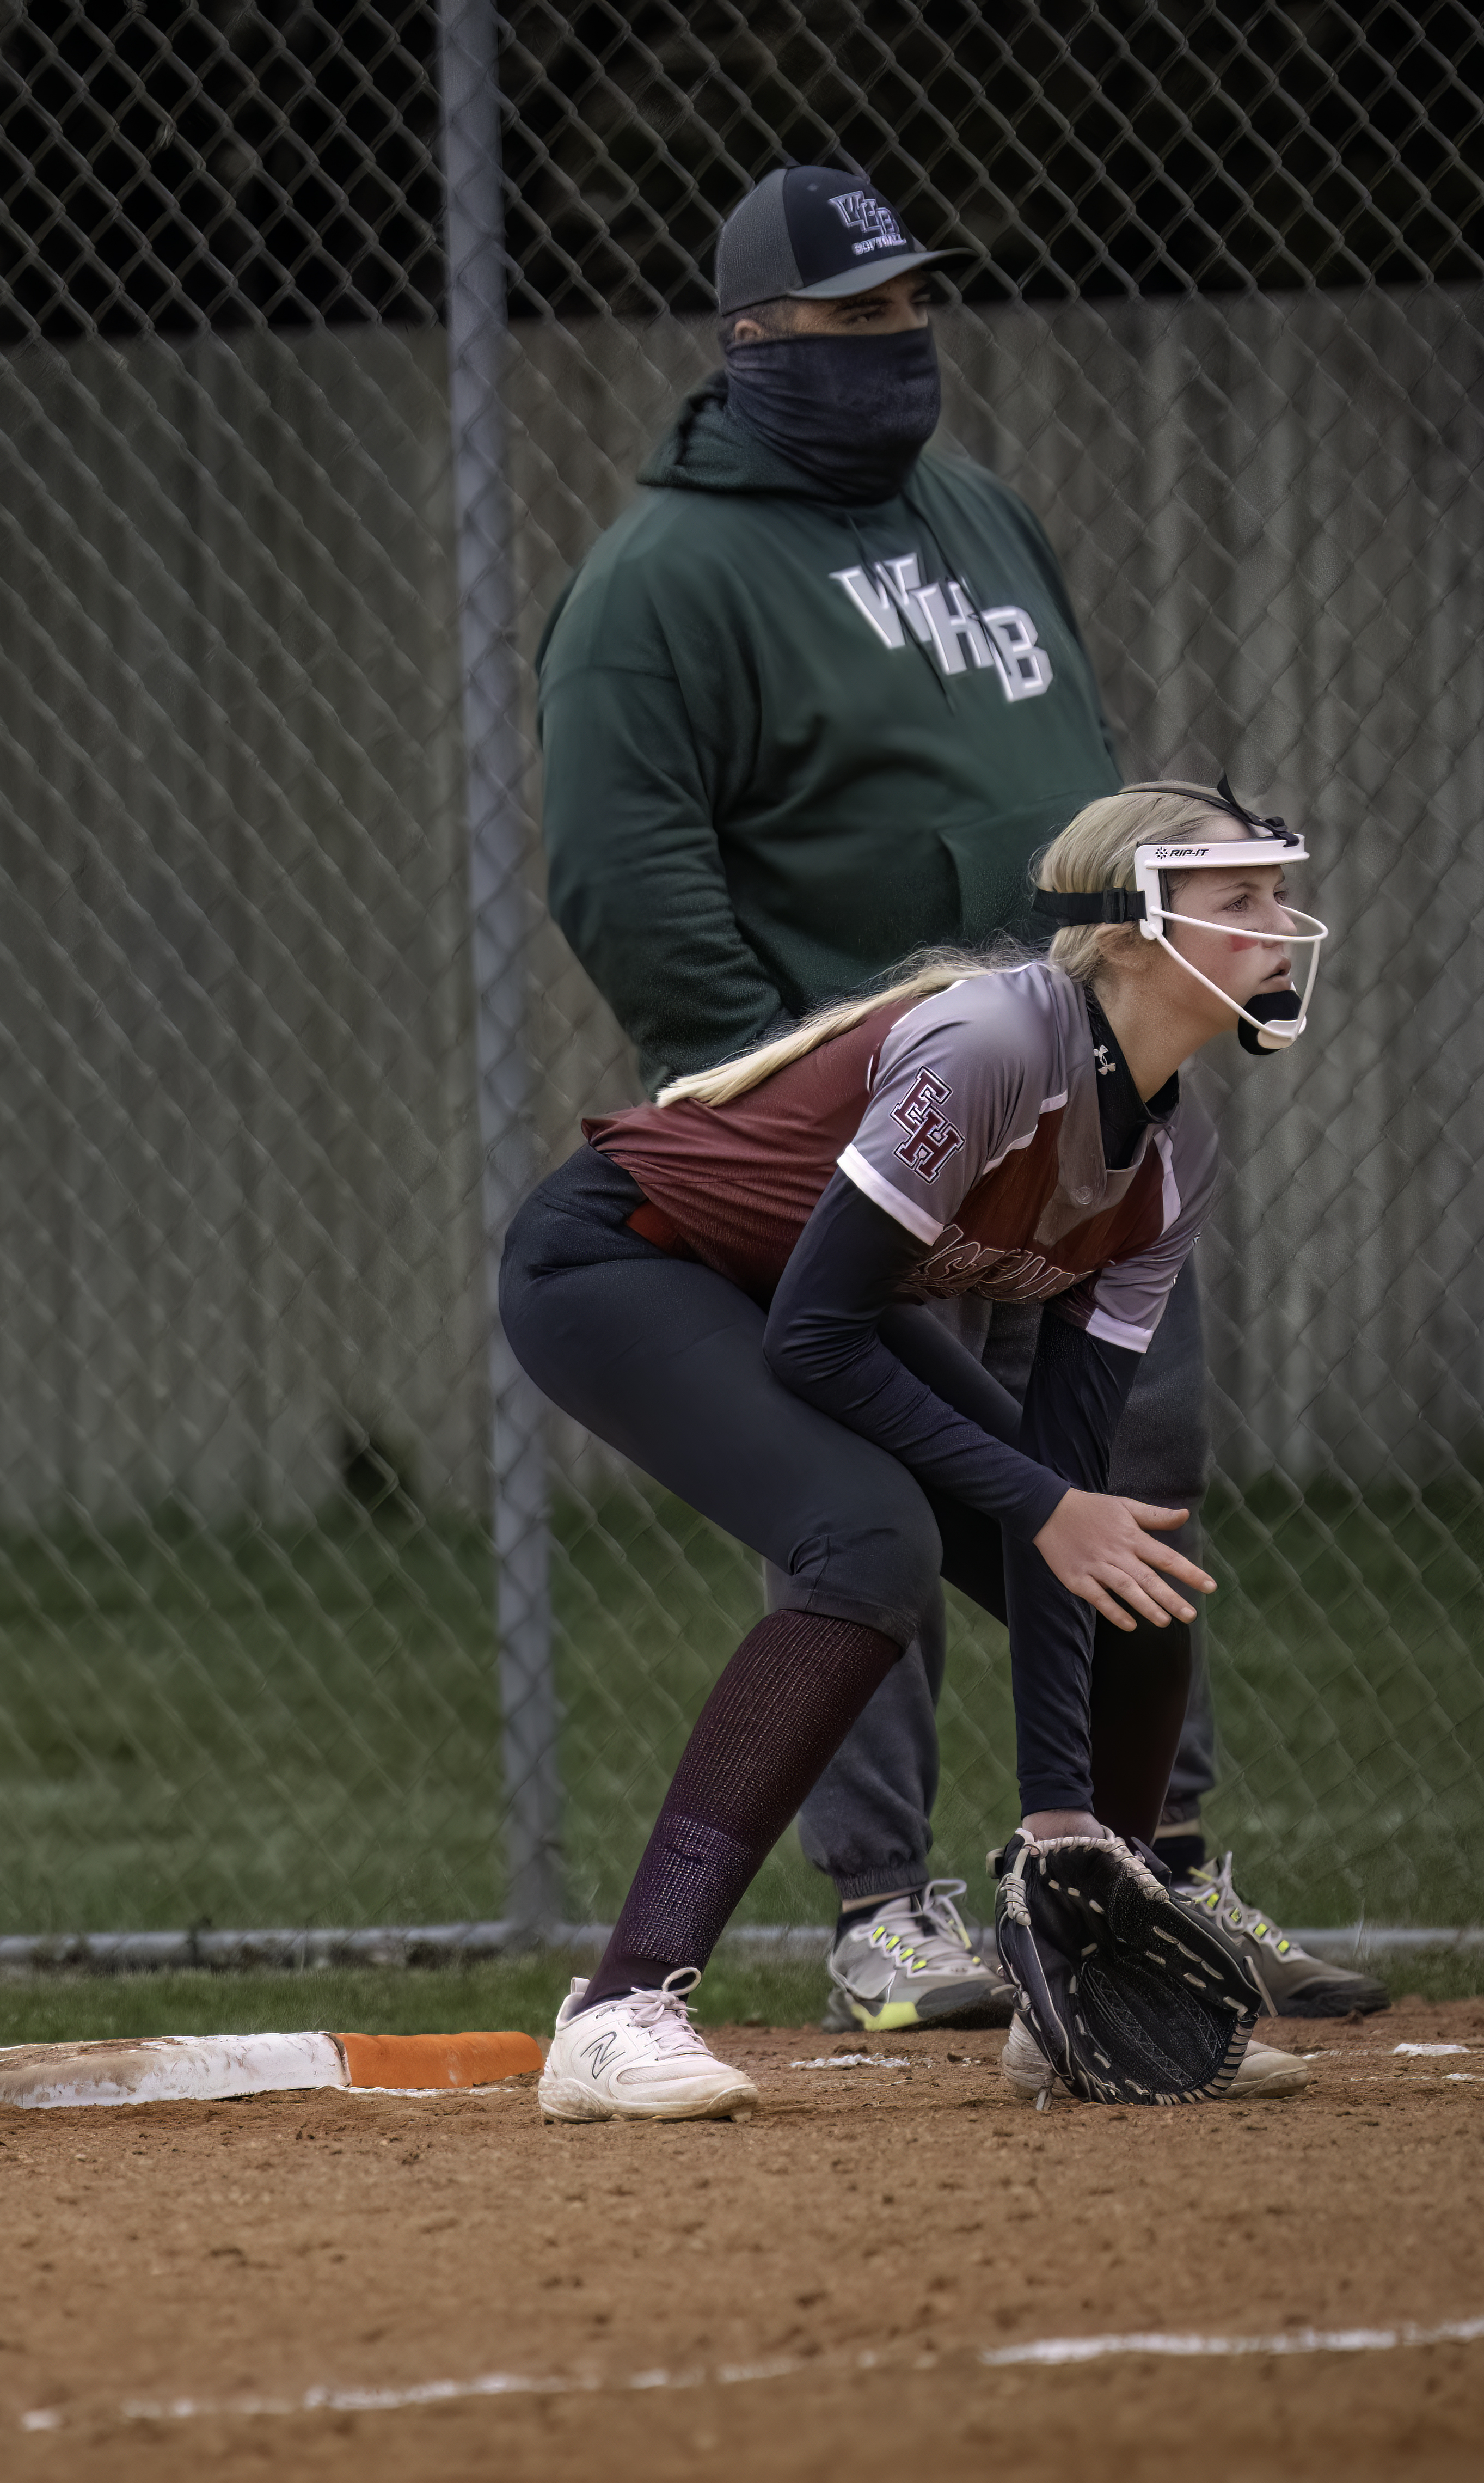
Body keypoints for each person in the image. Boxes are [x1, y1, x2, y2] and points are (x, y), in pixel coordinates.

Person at [534, 163, 1383, 2031]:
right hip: (891, 1115)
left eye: (913, 311)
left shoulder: (982, 514)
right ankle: (886, 1903)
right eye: (850, 320)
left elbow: (1078, 790)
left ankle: (1142, 1869)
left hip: (1080, 1100)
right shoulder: (662, 580)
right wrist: (801, 1108)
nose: (895, 348)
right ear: (752, 340)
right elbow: (625, 871)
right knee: (880, 1500)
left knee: (1118, 1482)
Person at [507, 782, 1329, 2120]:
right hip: (623, 1260)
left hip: (794, 1302)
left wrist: (1062, 1819)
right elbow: (818, 1341)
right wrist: (1049, 1504)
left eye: (1277, 895)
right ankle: (616, 2011)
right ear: (1127, 932)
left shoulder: (1172, 1154)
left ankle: (1082, 1982)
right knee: (868, 1543)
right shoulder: (996, 1041)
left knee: (1126, 1590)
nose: (1279, 924)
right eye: (1238, 899)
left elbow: (1062, 1465)